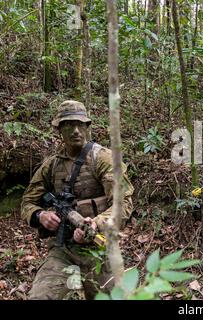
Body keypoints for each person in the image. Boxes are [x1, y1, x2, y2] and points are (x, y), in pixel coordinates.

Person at [21, 100, 134, 299]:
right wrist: (40, 215)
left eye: (80, 124)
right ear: (59, 130)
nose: (75, 130)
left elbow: (123, 204)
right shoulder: (51, 166)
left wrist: (95, 223)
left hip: (100, 249)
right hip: (63, 250)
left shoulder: (103, 159)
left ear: (87, 127)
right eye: (68, 125)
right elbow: (27, 202)